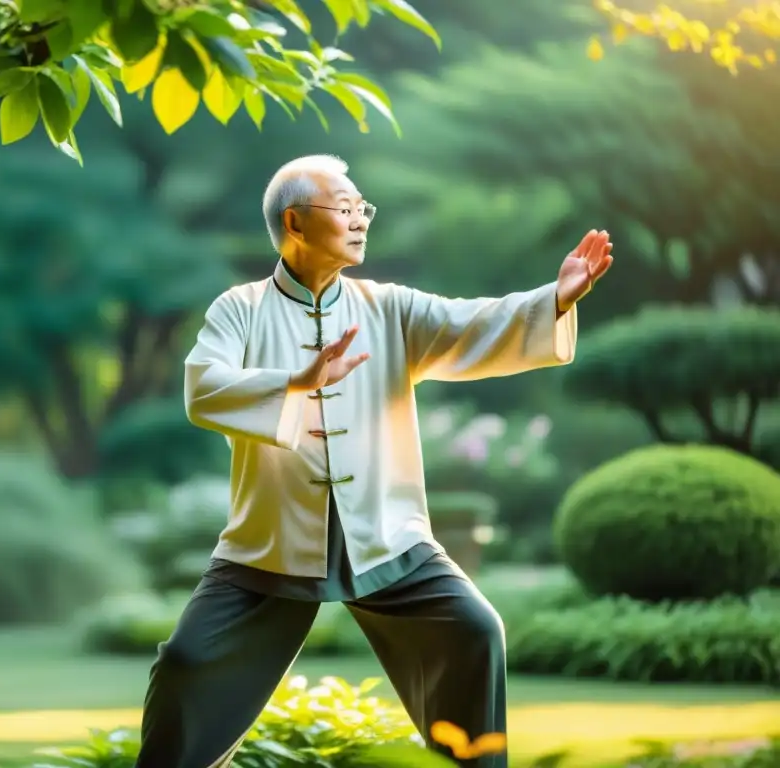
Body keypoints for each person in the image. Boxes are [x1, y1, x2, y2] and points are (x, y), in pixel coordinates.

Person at [136, 154, 614, 768]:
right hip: (269, 544)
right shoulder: (240, 309)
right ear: (296, 221)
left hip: (389, 538)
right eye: (346, 208)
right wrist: (296, 381)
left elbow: (470, 323)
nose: (362, 219)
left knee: (475, 632)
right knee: (185, 663)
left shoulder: (388, 307)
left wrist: (554, 298)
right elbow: (203, 388)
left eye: (364, 208)